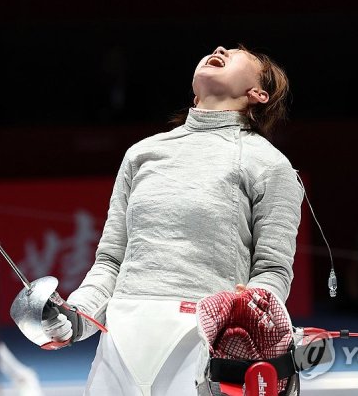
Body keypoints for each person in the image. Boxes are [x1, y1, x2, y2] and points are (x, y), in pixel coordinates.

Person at [43, 45, 303, 396]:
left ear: (257, 93)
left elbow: (273, 270)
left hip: (204, 344)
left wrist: (248, 318)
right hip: (120, 342)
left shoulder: (269, 165)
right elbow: (110, 261)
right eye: (217, 48)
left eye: (239, 54)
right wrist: (76, 315)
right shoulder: (142, 154)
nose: (220, 49)